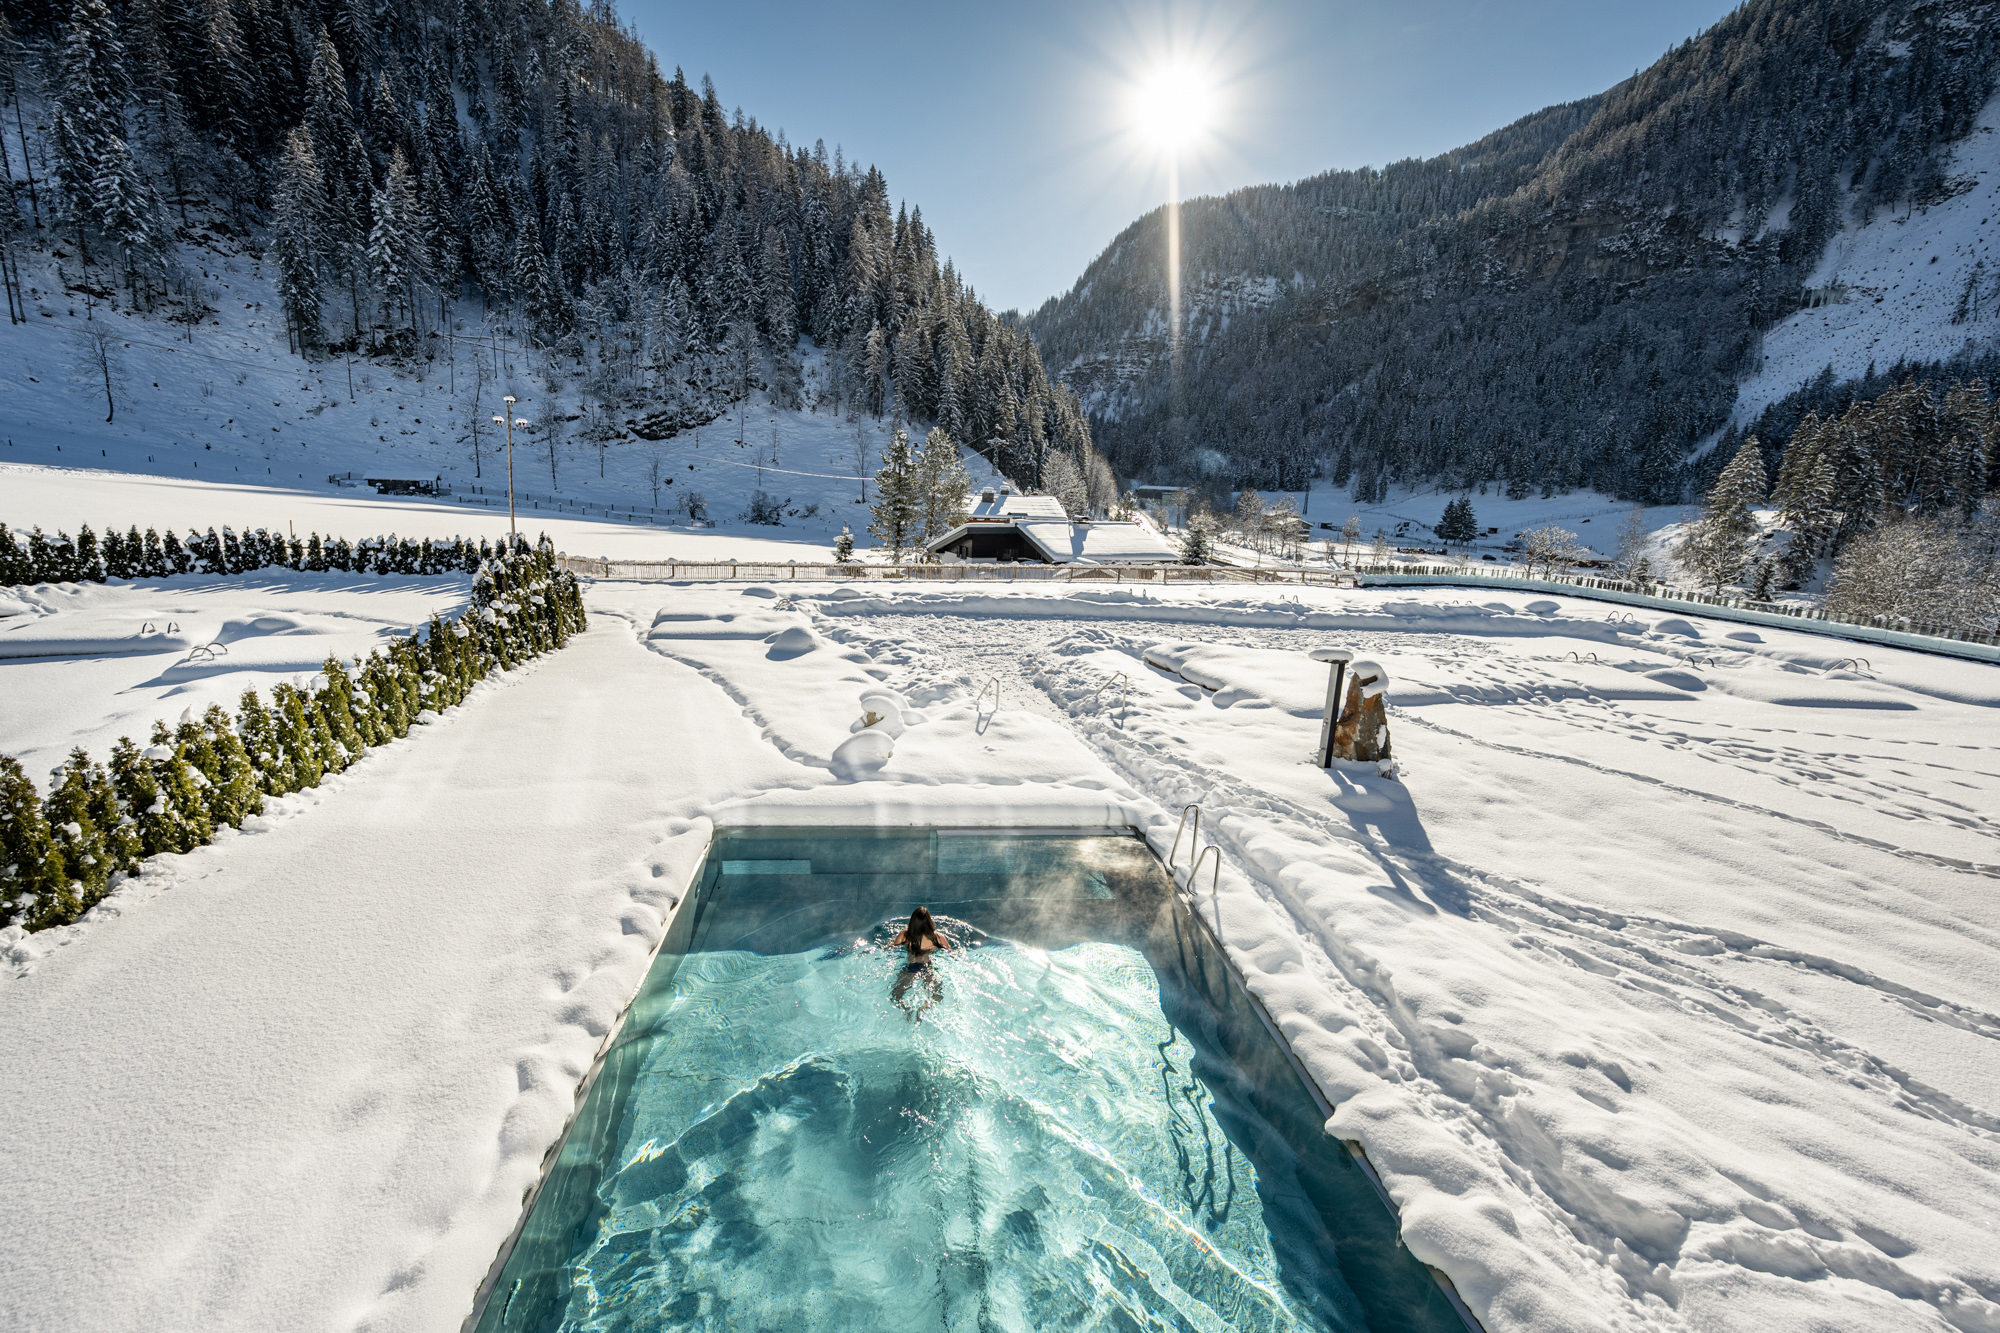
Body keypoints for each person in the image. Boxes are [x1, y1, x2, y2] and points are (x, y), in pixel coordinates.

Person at [890, 906, 949, 1016]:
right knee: (937, 995)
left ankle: (907, 1010)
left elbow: (890, 948)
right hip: (928, 967)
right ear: (929, 922)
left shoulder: (904, 936)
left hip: (910, 969)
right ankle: (923, 1008)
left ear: (912, 922)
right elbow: (951, 953)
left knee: (896, 995)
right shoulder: (938, 938)